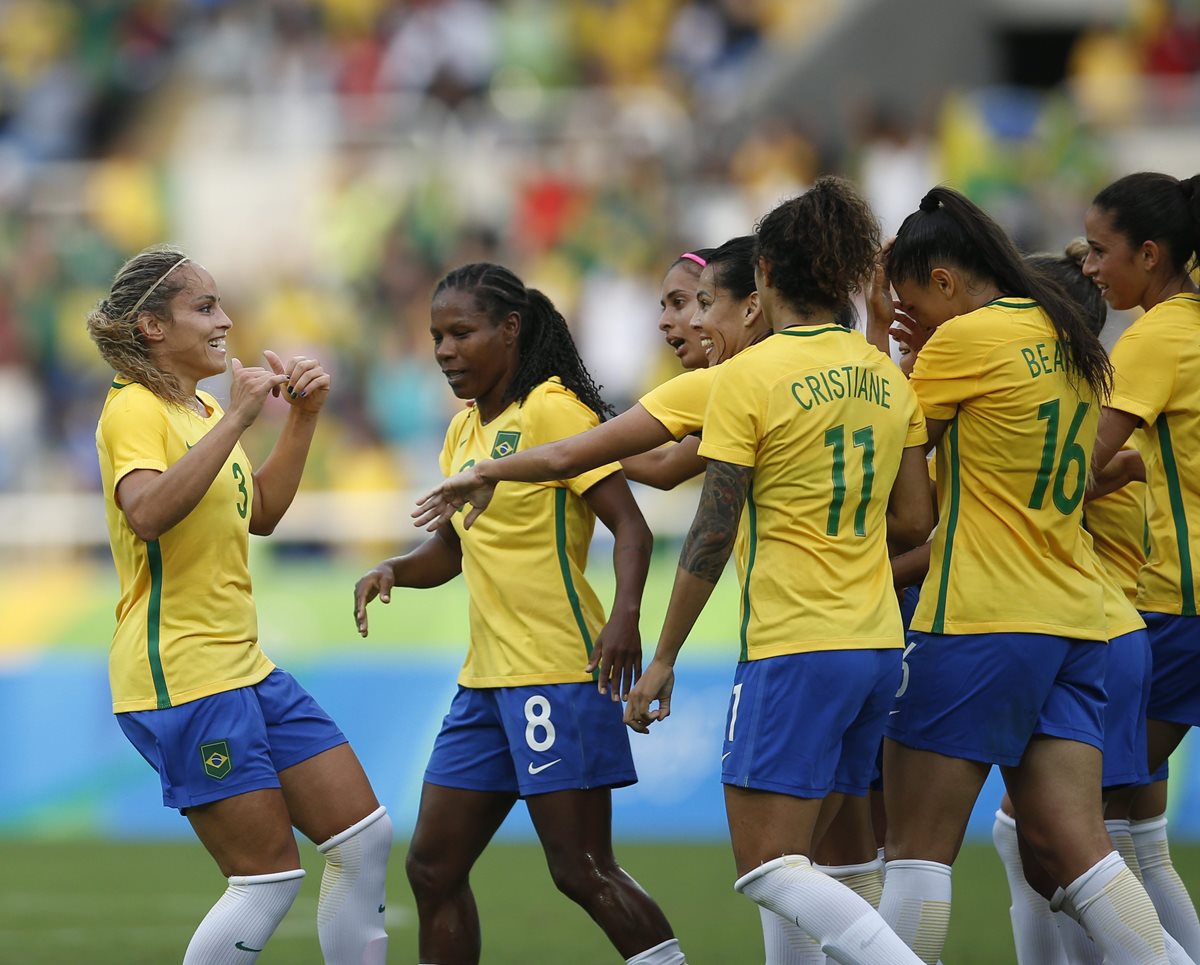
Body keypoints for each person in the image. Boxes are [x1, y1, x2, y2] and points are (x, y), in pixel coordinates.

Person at [625, 177, 933, 964]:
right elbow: (913, 522)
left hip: (794, 645)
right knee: (811, 861)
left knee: (767, 867)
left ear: (763, 273)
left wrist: (662, 656)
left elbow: (712, 528)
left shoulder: (749, 376)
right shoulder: (886, 378)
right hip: (875, 647)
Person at [353, 262, 686, 965]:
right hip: (485, 685)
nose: (444, 350)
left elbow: (632, 527)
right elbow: (450, 549)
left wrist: (624, 618)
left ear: (510, 330)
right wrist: (394, 570)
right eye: (437, 336)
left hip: (558, 670)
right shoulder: (463, 431)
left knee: (582, 869)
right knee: (432, 868)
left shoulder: (554, 410)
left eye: (461, 333)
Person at [874, 186, 1175, 965]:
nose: (915, 320)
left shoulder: (965, 341)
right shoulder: (1072, 335)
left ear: (944, 281)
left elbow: (889, 467)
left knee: (915, 850)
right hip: (1077, 619)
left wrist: (885, 346)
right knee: (1083, 854)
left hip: (980, 617)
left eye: (913, 302)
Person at [87, 245, 390, 964]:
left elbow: (263, 514)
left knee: (364, 838)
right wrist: (240, 420)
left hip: (244, 665)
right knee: (265, 881)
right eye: (205, 307)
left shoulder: (202, 407)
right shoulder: (134, 408)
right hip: (183, 674)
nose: (225, 320)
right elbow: (149, 513)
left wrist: (301, 417)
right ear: (153, 327)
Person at [411, 236, 769, 544]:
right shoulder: (780, 369)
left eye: (688, 302)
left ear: (750, 304)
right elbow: (664, 466)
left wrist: (523, 453)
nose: (665, 321)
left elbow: (571, 460)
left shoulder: (721, 383)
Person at [1085, 170, 1200, 959]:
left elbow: (1073, 465)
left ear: (1150, 255)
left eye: (1100, 251)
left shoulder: (1157, 335)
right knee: (1129, 828)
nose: (1090, 267)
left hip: (1179, 606)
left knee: (1065, 821)